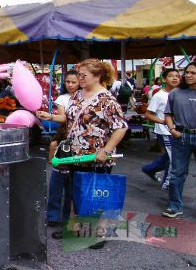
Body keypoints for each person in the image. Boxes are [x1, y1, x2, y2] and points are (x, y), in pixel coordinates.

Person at [38, 59, 128, 249]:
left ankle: (99, 233)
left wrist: (106, 150)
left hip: (97, 157)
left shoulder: (107, 99)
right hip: (75, 155)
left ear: (97, 76)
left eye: (83, 75)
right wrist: (51, 117)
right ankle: (75, 227)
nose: (79, 78)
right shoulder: (78, 95)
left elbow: (121, 128)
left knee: (97, 194)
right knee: (74, 193)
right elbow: (70, 118)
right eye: (79, 75)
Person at [163, 61, 196, 220]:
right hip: (181, 136)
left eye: (193, 73)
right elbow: (168, 114)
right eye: (187, 72)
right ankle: (174, 206)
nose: (188, 75)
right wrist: (172, 130)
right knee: (177, 173)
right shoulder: (175, 93)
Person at [40, 71, 79, 231]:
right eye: (68, 82)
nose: (70, 84)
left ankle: (67, 217)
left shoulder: (85, 96)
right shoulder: (62, 98)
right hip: (65, 138)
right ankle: (53, 216)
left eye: (73, 82)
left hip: (80, 142)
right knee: (57, 181)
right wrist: (50, 116)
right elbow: (64, 118)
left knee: (73, 184)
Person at [141, 68, 181, 190]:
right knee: (173, 158)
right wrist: (163, 121)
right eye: (171, 76)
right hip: (165, 132)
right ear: (164, 79)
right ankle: (167, 183)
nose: (175, 78)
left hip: (178, 131)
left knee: (170, 157)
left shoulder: (181, 94)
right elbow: (148, 115)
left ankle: (148, 169)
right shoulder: (159, 96)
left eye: (177, 76)